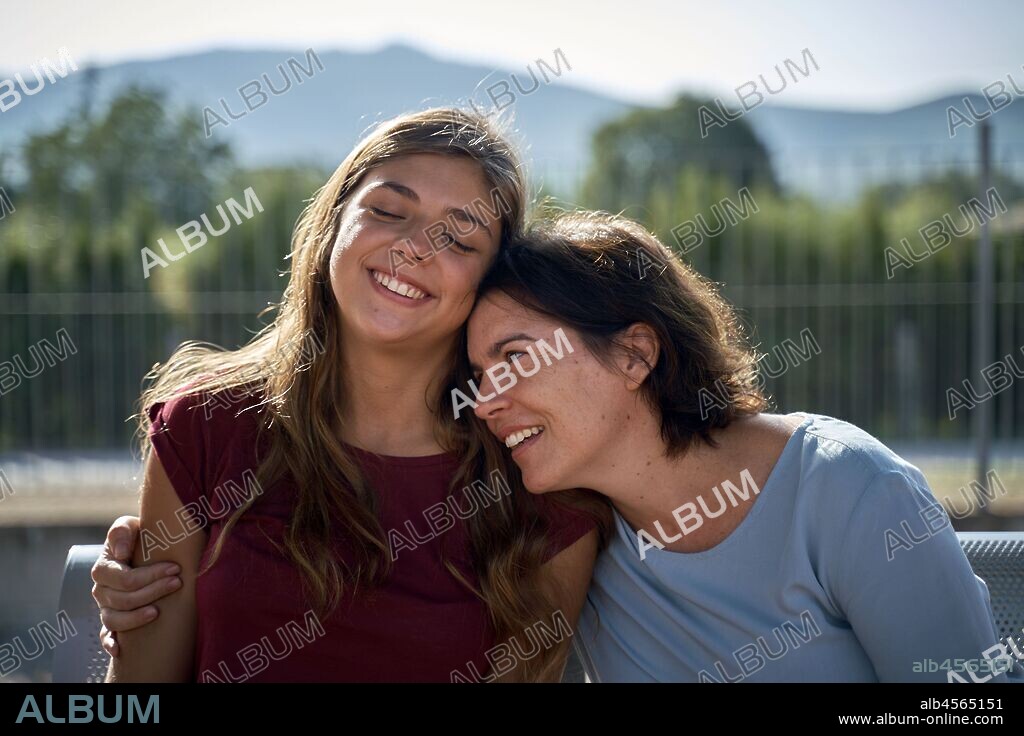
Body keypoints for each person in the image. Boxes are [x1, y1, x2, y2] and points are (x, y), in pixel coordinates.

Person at [97, 108, 606, 683]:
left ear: (488, 283)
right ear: (334, 222)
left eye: (461, 240)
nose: (415, 247)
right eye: (389, 211)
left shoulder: (538, 475)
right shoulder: (205, 426)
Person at [461, 210, 1016, 683]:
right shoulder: (573, 533)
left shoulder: (852, 488)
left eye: (516, 358)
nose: (485, 402)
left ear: (634, 354)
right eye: (480, 374)